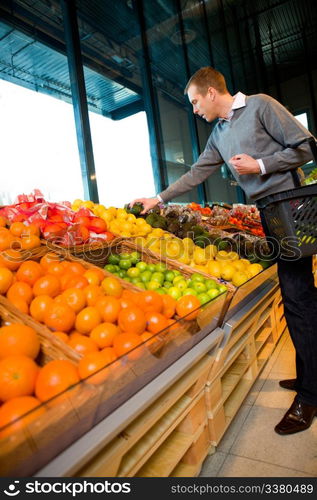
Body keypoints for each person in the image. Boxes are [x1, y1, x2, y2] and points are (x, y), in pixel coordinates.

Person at [130, 66, 317, 435]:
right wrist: (158, 198)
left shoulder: (260, 106)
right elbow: (198, 172)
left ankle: (310, 396)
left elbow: (307, 146)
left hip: (292, 209)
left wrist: (259, 164)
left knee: (298, 298)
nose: (195, 109)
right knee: (301, 296)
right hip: (269, 214)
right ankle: (310, 375)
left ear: (212, 92)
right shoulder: (219, 134)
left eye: (196, 101)